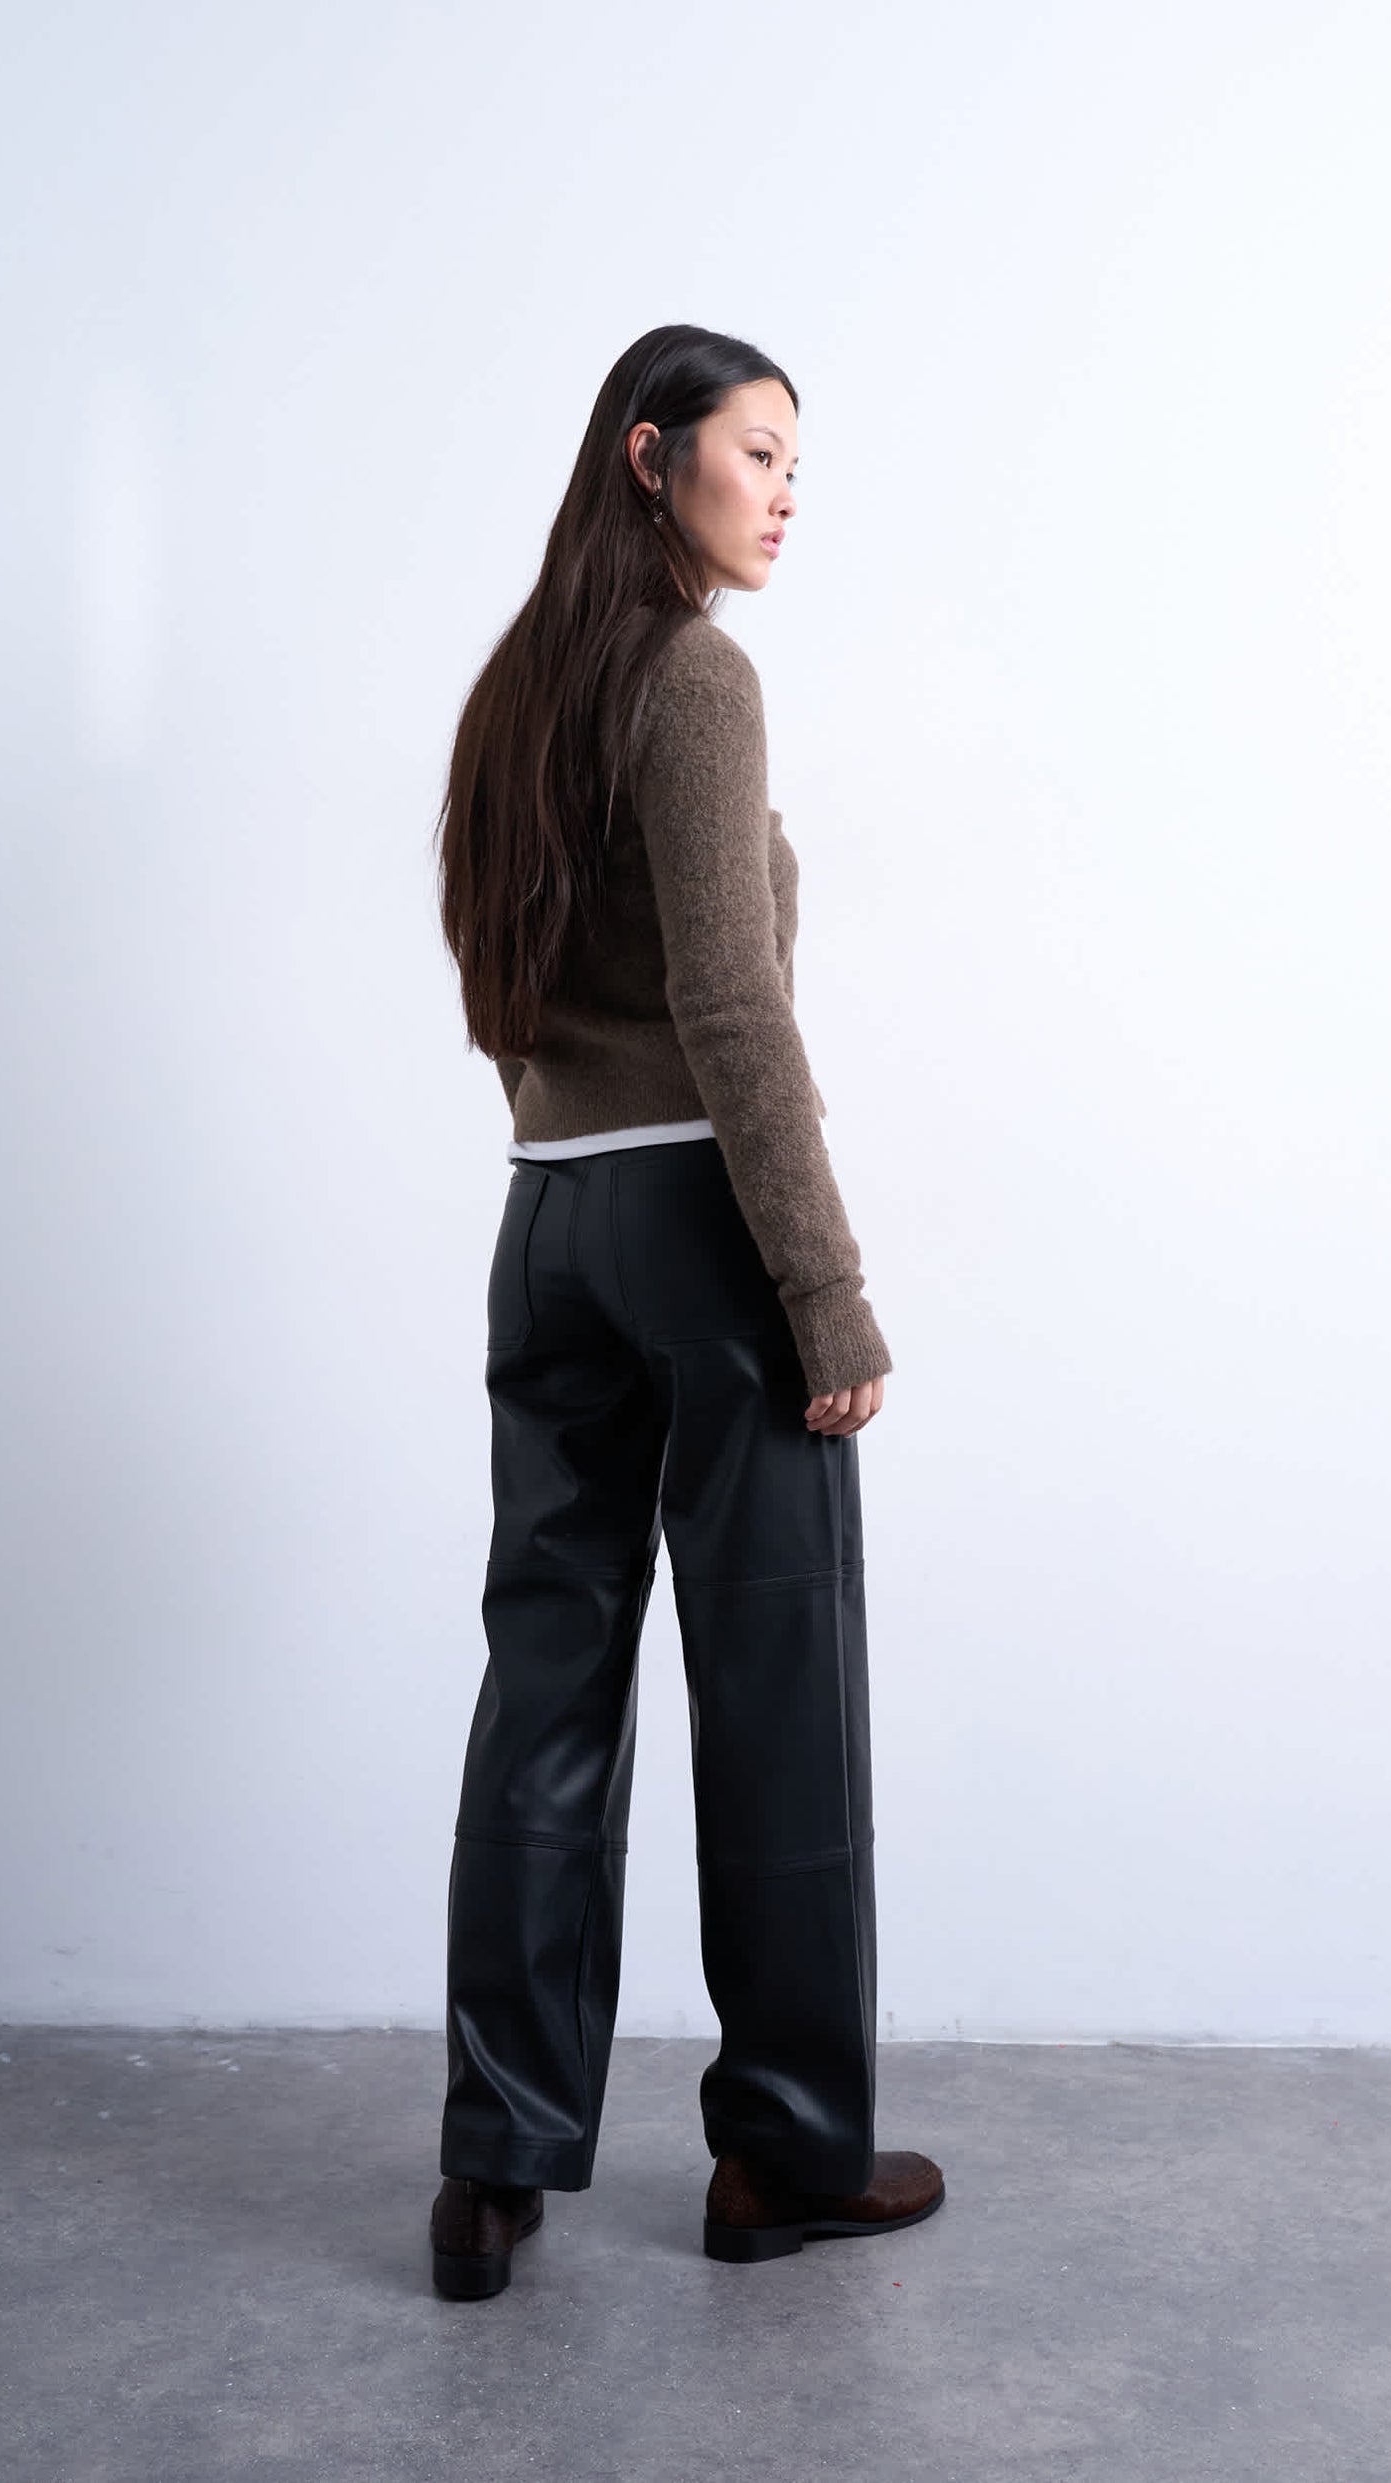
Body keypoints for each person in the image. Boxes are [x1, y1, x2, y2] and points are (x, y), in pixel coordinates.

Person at [426, 324, 944, 2301]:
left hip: (548, 1216)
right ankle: (785, 2157)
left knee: (545, 1682)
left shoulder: (519, 685)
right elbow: (734, 1005)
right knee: (778, 1691)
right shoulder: (694, 677)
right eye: (759, 450)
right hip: (702, 1227)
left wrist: (567, 1132)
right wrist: (826, 1291)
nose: (788, 492)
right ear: (649, 458)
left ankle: (494, 2167)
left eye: (797, 461)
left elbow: (492, 967)